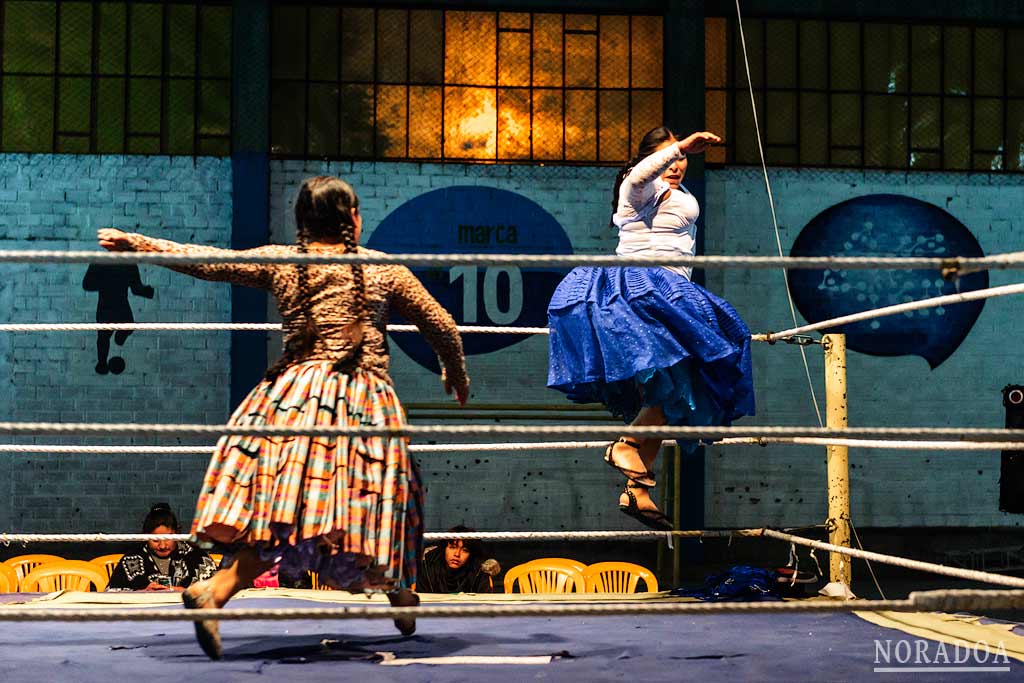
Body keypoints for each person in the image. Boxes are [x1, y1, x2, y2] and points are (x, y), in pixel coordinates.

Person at [97, 175, 470, 660]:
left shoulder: (286, 260)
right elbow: (440, 323)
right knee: (383, 503)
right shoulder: (382, 270)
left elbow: (209, 262)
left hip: (292, 400)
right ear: (352, 218)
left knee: (285, 516)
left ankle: (220, 590)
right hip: (360, 403)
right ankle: (399, 594)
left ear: (303, 221)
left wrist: (139, 245)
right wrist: (455, 373)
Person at [547, 127, 755, 531]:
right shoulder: (637, 188)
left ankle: (637, 489)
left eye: (680, 159)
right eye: (668, 158)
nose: (676, 165)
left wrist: (678, 154)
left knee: (678, 382)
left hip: (674, 291)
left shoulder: (680, 194)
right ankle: (625, 445)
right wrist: (679, 147)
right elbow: (643, 173)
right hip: (640, 289)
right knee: (683, 371)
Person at [106, 503, 217, 592]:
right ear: (146, 536)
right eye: (155, 540)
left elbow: (218, 589)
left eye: (168, 538)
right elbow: (110, 593)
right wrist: (141, 593)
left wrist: (187, 592)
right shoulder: (132, 559)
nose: (163, 546)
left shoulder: (195, 557)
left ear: (177, 533)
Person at [417, 526, 500, 594]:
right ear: (444, 548)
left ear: (471, 554)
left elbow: (484, 605)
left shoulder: (478, 570)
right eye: (452, 547)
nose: (457, 554)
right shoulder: (428, 566)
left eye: (465, 550)